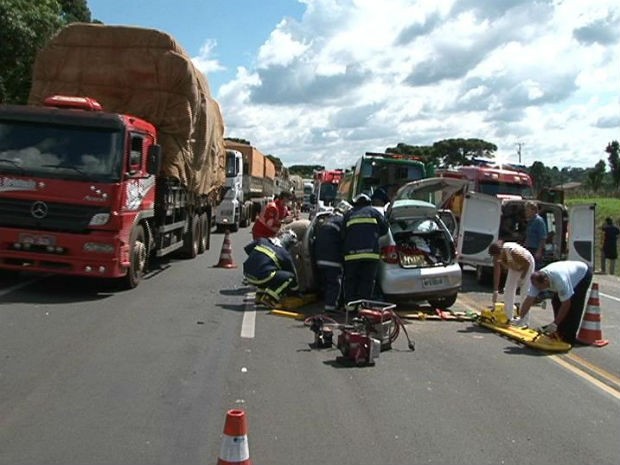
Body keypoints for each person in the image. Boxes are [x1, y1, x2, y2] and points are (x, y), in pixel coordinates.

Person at [518, 260, 593, 343]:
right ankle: (559, 330)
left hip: (583, 274)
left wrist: (555, 323)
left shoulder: (560, 281)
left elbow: (566, 304)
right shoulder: (536, 281)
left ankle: (569, 337)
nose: (539, 289)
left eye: (540, 287)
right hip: (566, 270)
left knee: (574, 306)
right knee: (556, 302)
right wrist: (520, 317)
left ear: (546, 281)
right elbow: (529, 300)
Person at [341, 193, 389, 305]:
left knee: (351, 280)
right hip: (371, 255)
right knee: (367, 281)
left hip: (351, 256)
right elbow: (385, 229)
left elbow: (342, 235)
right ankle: (364, 306)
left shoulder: (349, 214)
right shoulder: (374, 213)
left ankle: (350, 306)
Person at [313, 200, 352, 313]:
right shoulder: (342, 222)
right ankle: (330, 308)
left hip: (319, 258)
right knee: (334, 283)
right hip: (333, 259)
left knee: (327, 283)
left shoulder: (325, 221)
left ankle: (326, 302)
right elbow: (345, 240)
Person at [243, 230, 299, 307]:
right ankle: (269, 298)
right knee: (289, 277)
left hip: (247, 274)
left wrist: (257, 258)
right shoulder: (284, 254)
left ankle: (259, 295)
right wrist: (296, 290)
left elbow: (247, 249)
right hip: (261, 277)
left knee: (267, 269)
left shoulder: (262, 240)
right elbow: (292, 274)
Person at [488, 240, 535, 324]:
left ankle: (524, 321)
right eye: (494, 257)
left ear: (500, 251)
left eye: (497, 256)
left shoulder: (513, 252)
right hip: (515, 266)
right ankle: (509, 317)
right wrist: (496, 290)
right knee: (508, 290)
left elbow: (526, 263)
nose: (496, 258)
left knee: (524, 292)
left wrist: (522, 277)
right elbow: (497, 271)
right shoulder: (498, 256)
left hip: (527, 264)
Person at [523, 201, 547, 270]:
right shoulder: (530, 221)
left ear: (533, 210)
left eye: (527, 210)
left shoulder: (539, 221)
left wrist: (539, 251)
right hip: (529, 248)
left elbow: (543, 237)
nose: (526, 212)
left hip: (535, 249)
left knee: (534, 269)